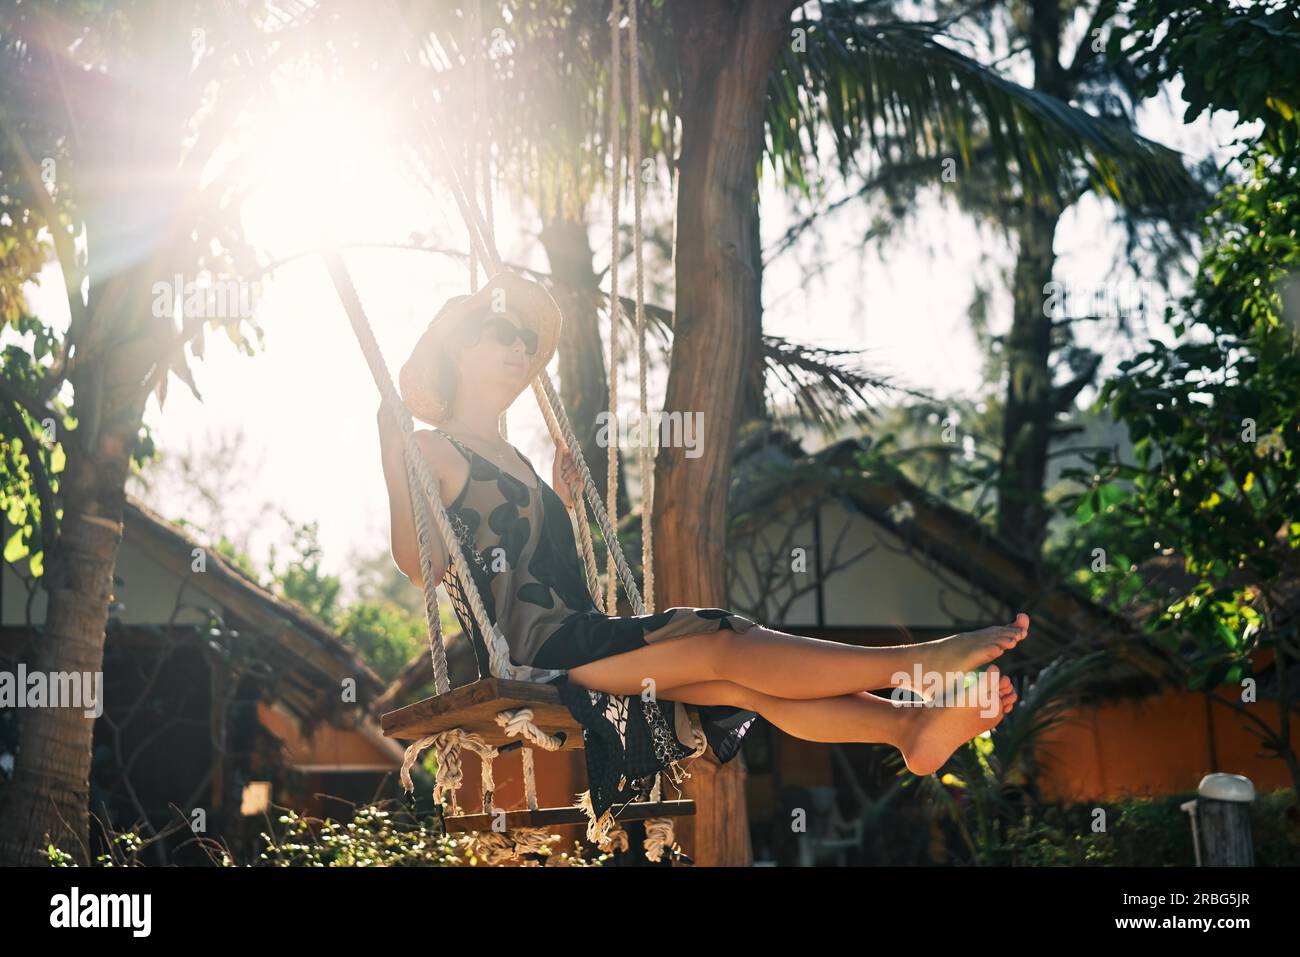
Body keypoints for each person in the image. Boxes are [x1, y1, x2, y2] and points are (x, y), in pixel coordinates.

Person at [377, 270, 1027, 840]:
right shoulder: (434, 449)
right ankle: (917, 664)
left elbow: (524, 560)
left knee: (738, 678)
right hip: (543, 655)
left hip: (580, 638)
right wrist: (391, 445)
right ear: (459, 349)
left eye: (526, 336)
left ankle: (905, 730)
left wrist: (564, 507)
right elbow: (422, 565)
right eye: (503, 333)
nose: (521, 347)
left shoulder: (516, 458)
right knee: (721, 637)